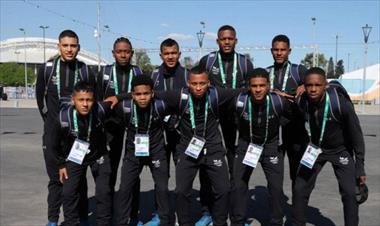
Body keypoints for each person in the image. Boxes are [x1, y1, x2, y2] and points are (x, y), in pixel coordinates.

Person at [154, 65, 241, 226]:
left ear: (209, 83)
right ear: (188, 83)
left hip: (213, 148)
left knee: (223, 190)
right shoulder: (180, 96)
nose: (198, 87)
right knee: (181, 191)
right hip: (188, 149)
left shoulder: (216, 94)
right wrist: (119, 97)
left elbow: (242, 91)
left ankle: (220, 222)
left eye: (202, 83)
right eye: (194, 84)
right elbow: (153, 93)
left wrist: (274, 92)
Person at [35, 29, 96, 226]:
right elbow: (40, 100)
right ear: (59, 46)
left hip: (78, 136)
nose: (69, 49)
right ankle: (53, 220)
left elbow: (92, 100)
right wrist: (52, 123)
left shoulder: (85, 70)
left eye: (73, 45)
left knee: (80, 181)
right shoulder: (48, 69)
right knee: (55, 180)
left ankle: (82, 218)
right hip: (54, 135)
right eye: (65, 45)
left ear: (78, 47)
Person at [292, 67, 366, 226]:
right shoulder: (301, 101)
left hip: (340, 150)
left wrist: (359, 165)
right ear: (304, 86)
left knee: (350, 193)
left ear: (325, 85)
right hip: (315, 150)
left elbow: (357, 136)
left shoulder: (340, 104)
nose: (312, 89)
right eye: (309, 85)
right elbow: (299, 126)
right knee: (299, 189)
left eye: (317, 85)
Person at [197, 25, 254, 225]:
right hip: (211, 117)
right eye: (223, 39)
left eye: (230, 38)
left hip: (237, 118)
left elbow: (253, 88)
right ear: (218, 41)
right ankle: (206, 211)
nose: (227, 42)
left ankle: (237, 211)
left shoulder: (245, 62)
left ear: (236, 40)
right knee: (207, 162)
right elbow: (198, 85)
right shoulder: (208, 61)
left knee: (236, 165)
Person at [229, 68, 292, 226]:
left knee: (276, 188)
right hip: (246, 145)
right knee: (238, 185)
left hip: (270, 146)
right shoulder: (239, 101)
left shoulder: (278, 102)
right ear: (248, 86)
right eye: (254, 86)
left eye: (261, 86)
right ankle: (238, 221)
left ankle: (276, 221)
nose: (258, 90)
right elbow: (232, 120)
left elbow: (292, 118)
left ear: (268, 86)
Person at [114, 75, 170, 226]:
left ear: (152, 93)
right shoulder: (124, 107)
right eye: (138, 94)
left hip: (156, 150)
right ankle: (123, 221)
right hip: (133, 152)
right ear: (132, 95)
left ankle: (164, 220)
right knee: (125, 188)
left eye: (146, 94)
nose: (142, 98)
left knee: (163, 188)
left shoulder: (161, 105)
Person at [97, 37, 143, 222]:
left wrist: (119, 96)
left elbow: (143, 94)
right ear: (113, 53)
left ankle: (132, 215)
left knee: (133, 171)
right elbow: (99, 101)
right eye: (119, 51)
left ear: (132, 53)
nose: (123, 54)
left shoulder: (138, 71)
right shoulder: (104, 72)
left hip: (135, 127)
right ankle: (109, 214)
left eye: (127, 51)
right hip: (111, 127)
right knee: (111, 170)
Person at [55, 81, 112, 226]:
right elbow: (55, 144)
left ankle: (103, 223)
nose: (85, 104)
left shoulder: (101, 109)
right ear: (73, 100)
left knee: (103, 192)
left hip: (98, 155)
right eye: (81, 100)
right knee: (68, 192)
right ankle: (72, 223)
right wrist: (62, 164)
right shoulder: (63, 117)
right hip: (76, 155)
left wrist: (109, 140)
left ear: (94, 100)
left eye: (89, 100)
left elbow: (119, 117)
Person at [266, 34, 308, 201]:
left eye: (283, 50)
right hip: (273, 131)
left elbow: (318, 84)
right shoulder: (266, 72)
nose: (279, 53)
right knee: (274, 176)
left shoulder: (299, 71)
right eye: (276, 50)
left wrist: (305, 85)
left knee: (296, 173)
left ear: (289, 51)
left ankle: (297, 211)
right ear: (271, 51)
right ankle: (276, 211)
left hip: (295, 129)